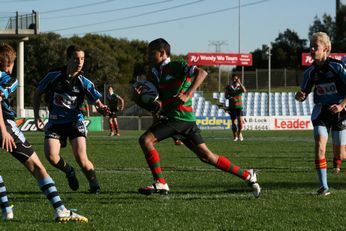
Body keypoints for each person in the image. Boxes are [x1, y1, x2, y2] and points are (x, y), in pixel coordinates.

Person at [137, 38, 261, 198]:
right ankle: (248, 175)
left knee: (145, 140)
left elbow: (202, 73)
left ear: (162, 53)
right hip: (180, 119)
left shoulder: (175, 66)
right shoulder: (154, 74)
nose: (148, 56)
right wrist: (144, 100)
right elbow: (157, 101)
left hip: (179, 118)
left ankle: (160, 182)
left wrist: (188, 94)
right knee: (207, 156)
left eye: (151, 53)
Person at [0, 43, 88, 222]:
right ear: (9, 63)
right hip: (5, 126)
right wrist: (3, 130)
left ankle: (6, 209)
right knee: (37, 167)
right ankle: (60, 209)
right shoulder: (8, 79)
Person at [33, 45, 109, 194]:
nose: (80, 62)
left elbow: (98, 103)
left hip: (75, 122)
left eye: (82, 59)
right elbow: (37, 94)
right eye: (76, 59)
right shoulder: (53, 75)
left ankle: (95, 186)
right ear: (68, 59)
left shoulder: (84, 81)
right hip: (55, 122)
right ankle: (69, 171)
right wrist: (36, 117)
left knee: (81, 157)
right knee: (51, 156)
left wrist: (102, 108)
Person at [295, 32, 346, 196]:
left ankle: (337, 161)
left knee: (341, 154)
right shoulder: (310, 72)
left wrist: (341, 106)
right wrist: (300, 96)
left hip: (340, 112)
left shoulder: (337, 67)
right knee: (320, 145)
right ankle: (324, 187)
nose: (311, 49)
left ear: (326, 49)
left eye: (315, 46)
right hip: (321, 112)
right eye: (311, 46)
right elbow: (303, 93)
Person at [225, 74, 246, 141]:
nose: (235, 80)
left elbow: (244, 91)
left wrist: (240, 83)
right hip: (232, 107)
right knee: (233, 122)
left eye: (236, 79)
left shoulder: (240, 86)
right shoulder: (228, 87)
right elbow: (226, 96)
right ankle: (235, 136)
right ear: (232, 79)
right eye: (234, 79)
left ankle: (239, 133)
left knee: (240, 123)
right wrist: (231, 98)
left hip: (239, 106)